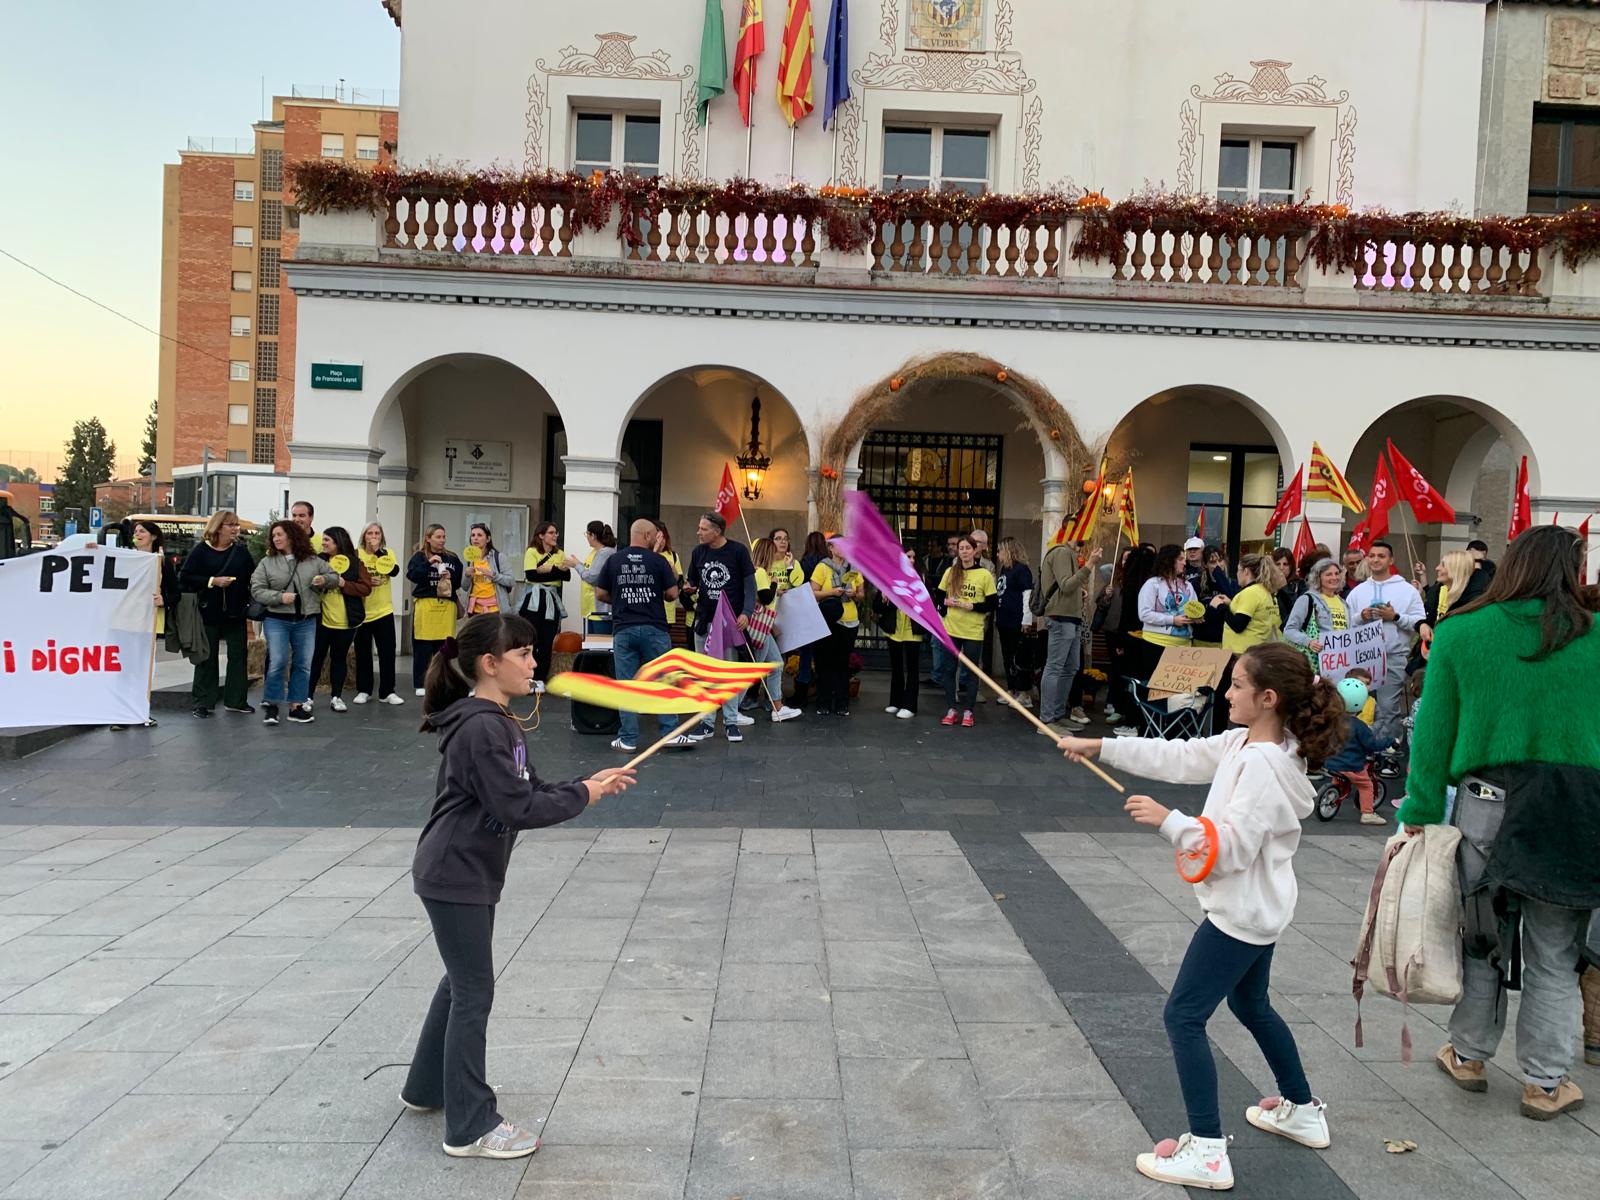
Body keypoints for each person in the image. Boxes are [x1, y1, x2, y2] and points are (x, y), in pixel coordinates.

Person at [1057, 642, 1344, 1189]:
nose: (1226, 692)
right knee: (1250, 1003)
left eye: (1237, 685)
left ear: (1267, 697)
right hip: (1260, 908)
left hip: (1240, 914)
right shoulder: (1254, 741)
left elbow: (1232, 848)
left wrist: (1170, 821)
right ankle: (1302, 1110)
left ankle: (1207, 1150)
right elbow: (1183, 755)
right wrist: (1103, 747)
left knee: (1183, 1016)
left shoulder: (1263, 764)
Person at [404, 612, 636, 1159]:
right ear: (490, 663)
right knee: (472, 991)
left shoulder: (494, 719)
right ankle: (469, 1126)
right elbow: (518, 806)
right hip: (455, 872)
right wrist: (586, 798)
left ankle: (426, 1088)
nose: (535, 663)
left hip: (463, 870)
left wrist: (585, 783)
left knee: (460, 983)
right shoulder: (485, 725)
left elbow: (524, 786)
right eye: (524, 654)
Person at [1401, 526, 1600, 1120]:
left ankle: (1468, 1054)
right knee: (1554, 950)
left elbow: (1431, 734)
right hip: (1572, 806)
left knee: (1482, 935)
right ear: (1572, 569)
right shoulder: (1595, 639)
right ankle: (1545, 1082)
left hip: (1487, 801)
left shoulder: (1462, 632)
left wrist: (1419, 812)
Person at [596, 519, 696, 753]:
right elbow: (672, 594)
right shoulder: (658, 560)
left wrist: (620, 599)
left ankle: (628, 738)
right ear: (648, 536)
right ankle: (670, 733)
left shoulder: (614, 560)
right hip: (655, 629)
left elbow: (601, 593)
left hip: (624, 629)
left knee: (627, 684)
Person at [250, 519, 342, 725]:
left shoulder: (312, 560)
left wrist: (324, 580)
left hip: (306, 620)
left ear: (291, 536)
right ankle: (272, 705)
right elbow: (256, 590)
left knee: (303, 664)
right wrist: (279, 597)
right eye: (273, 536)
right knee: (278, 661)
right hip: (277, 619)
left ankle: (296, 706)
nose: (276, 539)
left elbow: (334, 576)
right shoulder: (267, 562)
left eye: (279, 535)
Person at [686, 512, 757, 741]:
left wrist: (746, 613)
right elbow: (694, 583)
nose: (698, 532)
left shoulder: (738, 552)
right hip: (704, 621)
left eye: (703, 529)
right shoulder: (698, 552)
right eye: (699, 528)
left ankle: (730, 722)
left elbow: (750, 587)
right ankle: (706, 723)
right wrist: (689, 589)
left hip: (728, 622)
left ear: (717, 531)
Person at [179, 510, 255, 720]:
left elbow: (253, 576)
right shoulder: (201, 550)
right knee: (206, 657)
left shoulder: (241, 551)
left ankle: (236, 700)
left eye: (236, 525)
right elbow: (185, 576)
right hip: (207, 612)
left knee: (238, 656)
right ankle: (203, 702)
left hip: (236, 612)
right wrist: (212, 581)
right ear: (219, 526)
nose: (235, 529)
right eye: (231, 524)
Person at [1345, 541, 1426, 739]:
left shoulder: (1407, 590)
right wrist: (1361, 617)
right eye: (1372, 556)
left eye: (1381, 556)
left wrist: (1395, 617)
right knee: (1359, 705)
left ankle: (1387, 751)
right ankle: (1362, 751)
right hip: (1362, 657)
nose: (1375, 560)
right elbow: (1346, 623)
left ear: (1391, 560)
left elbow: (1420, 621)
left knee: (1388, 707)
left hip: (1392, 656)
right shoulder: (1358, 591)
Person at [110, 519, 180, 731]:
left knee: (144, 668)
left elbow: (175, 592)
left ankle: (141, 711)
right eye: (136, 531)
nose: (138, 534)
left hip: (147, 622)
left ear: (154, 536)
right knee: (124, 668)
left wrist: (164, 601)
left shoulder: (162, 562)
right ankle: (121, 715)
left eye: (142, 531)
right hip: (123, 620)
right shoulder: (126, 558)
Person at [1211, 553, 1286, 728]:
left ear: (1245, 571)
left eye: (1237, 570)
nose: (1236, 575)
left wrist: (1221, 607)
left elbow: (1239, 624)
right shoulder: (1265, 592)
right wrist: (1231, 604)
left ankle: (1221, 738)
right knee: (1249, 701)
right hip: (1255, 653)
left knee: (1226, 701)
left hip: (1239, 655)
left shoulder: (1250, 593)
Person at [1037, 539, 1102, 732]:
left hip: (1069, 617)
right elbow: (1065, 585)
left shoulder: (1068, 554)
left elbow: (1066, 586)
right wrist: (1090, 564)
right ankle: (1047, 720)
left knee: (1071, 666)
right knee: (1056, 666)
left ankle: (1056, 715)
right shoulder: (1062, 553)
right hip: (1061, 617)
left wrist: (1079, 592)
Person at [308, 526, 373, 713]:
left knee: (339, 658)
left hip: (346, 621)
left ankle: (336, 697)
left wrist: (345, 584)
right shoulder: (317, 560)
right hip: (320, 620)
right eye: (324, 540)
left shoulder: (355, 563)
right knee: (316, 658)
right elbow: (306, 583)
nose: (323, 543)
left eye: (327, 540)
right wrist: (316, 584)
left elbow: (366, 588)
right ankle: (307, 697)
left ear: (338, 542)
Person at [937, 535, 997, 727]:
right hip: (951, 628)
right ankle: (951, 708)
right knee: (949, 669)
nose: (963, 551)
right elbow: (938, 596)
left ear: (975, 550)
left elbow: (992, 603)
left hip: (973, 630)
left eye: (967, 548)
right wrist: (945, 602)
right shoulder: (950, 572)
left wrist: (973, 606)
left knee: (971, 671)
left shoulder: (984, 575)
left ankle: (969, 711)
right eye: (961, 548)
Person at [749, 536, 804, 724]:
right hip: (760, 626)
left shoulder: (760, 572)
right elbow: (765, 598)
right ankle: (731, 709)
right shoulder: (761, 573)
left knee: (776, 664)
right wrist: (774, 584)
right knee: (754, 669)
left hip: (765, 626)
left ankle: (777, 707)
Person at [1325, 674, 1392, 826]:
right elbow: (1372, 745)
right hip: (1352, 766)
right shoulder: (1360, 726)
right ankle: (1367, 813)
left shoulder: (1332, 720)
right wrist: (1389, 741)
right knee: (1366, 785)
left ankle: (1333, 794)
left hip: (1332, 763)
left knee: (1338, 779)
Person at [408, 525, 464, 696]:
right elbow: (412, 575)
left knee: (444, 648)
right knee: (422, 646)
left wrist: (448, 577)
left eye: (443, 537)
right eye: (438, 537)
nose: (442, 540)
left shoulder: (452, 557)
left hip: (446, 605)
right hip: (426, 604)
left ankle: (442, 681)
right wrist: (429, 563)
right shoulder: (419, 557)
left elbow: (458, 581)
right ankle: (420, 683)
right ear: (428, 538)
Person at [810, 538, 863, 718]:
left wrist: (854, 593)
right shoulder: (822, 567)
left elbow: (862, 594)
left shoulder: (854, 568)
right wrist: (831, 593)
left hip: (850, 620)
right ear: (831, 548)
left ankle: (842, 702)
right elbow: (813, 593)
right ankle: (823, 701)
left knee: (842, 663)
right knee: (825, 662)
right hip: (829, 620)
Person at [1411, 549, 1487, 672]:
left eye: (1443, 565)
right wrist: (1422, 625)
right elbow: (1423, 617)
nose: (1437, 568)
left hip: (1456, 668)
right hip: (1431, 662)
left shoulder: (1473, 602)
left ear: (1455, 569)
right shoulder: (1437, 591)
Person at [354, 522, 404, 705]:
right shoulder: (356, 554)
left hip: (384, 610)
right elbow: (351, 577)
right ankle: (364, 690)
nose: (373, 537)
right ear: (364, 536)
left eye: (377, 533)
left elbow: (395, 571)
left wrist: (378, 553)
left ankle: (387, 691)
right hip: (363, 611)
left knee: (387, 652)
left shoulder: (387, 553)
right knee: (363, 652)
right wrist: (366, 582)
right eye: (370, 533)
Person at [874, 545, 923, 719]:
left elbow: (927, 603)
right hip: (894, 630)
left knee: (912, 668)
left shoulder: (920, 579)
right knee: (896, 667)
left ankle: (910, 705)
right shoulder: (889, 579)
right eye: (908, 557)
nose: (912, 560)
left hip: (912, 630)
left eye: (913, 557)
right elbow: (876, 607)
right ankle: (896, 701)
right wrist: (883, 597)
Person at [519, 521, 569, 692]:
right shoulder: (532, 552)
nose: (555, 536)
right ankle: (528, 678)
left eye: (556, 533)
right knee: (531, 640)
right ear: (541, 535)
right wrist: (553, 571)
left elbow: (566, 576)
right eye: (551, 532)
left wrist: (548, 569)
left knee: (547, 640)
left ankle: (541, 678)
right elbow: (531, 575)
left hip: (551, 599)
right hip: (533, 599)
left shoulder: (560, 553)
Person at [1137, 544, 1201, 676]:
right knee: (1157, 692)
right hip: (1156, 645)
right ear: (1168, 560)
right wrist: (1172, 620)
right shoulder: (1152, 584)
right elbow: (1144, 614)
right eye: (1180, 559)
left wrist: (1197, 617)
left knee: (1178, 695)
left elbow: (1194, 607)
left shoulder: (1187, 585)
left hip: (1183, 646)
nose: (1185, 562)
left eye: (1184, 559)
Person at [1284, 558, 1351, 673]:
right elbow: (1289, 630)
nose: (1334, 578)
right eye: (1328, 574)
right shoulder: (1307, 599)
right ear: (1318, 578)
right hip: (1315, 663)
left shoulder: (1343, 602)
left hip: (1339, 664)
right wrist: (1308, 642)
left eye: (1336, 573)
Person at [994, 537, 1035, 706]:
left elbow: (1027, 596)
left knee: (1018, 657)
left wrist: (1027, 620)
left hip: (1016, 620)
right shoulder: (1005, 569)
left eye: (1000, 551)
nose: (998, 555)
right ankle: (1012, 689)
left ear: (1009, 551)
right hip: (1004, 619)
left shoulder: (1022, 570)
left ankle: (1024, 692)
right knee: (1007, 657)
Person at [793, 530, 831, 707]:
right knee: (824, 655)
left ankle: (801, 695)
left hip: (807, 611)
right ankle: (823, 693)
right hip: (826, 610)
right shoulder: (827, 564)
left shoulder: (804, 562)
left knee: (806, 654)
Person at [926, 533, 961, 692]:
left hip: (957, 612)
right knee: (936, 641)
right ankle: (938, 675)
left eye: (954, 544)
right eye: (949, 544)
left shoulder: (952, 563)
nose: (950, 547)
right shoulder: (935, 561)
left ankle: (955, 679)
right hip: (940, 607)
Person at [568, 521, 617, 632]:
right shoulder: (596, 551)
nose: (587, 538)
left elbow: (592, 577)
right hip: (591, 608)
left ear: (593, 535)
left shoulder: (605, 553)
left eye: (587, 534)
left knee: (600, 645)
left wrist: (576, 565)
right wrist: (578, 564)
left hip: (600, 610)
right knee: (591, 645)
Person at [463, 523, 517, 615]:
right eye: (473, 535)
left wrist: (493, 575)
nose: (475, 538)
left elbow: (511, 581)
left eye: (479, 535)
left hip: (495, 609)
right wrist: (467, 575)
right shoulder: (469, 559)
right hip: (474, 610)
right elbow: (464, 587)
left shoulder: (499, 557)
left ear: (488, 539)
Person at [653, 522, 685, 630]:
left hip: (667, 611)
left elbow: (679, 582)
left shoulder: (673, 555)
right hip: (650, 611)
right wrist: (655, 551)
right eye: (657, 537)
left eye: (662, 537)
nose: (660, 541)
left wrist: (672, 570)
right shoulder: (647, 554)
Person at [1272, 548, 1305, 628]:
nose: (1281, 568)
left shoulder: (1300, 584)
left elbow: (1299, 609)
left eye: (1285, 564)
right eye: (1277, 564)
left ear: (1291, 566)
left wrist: (1285, 588)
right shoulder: (1266, 584)